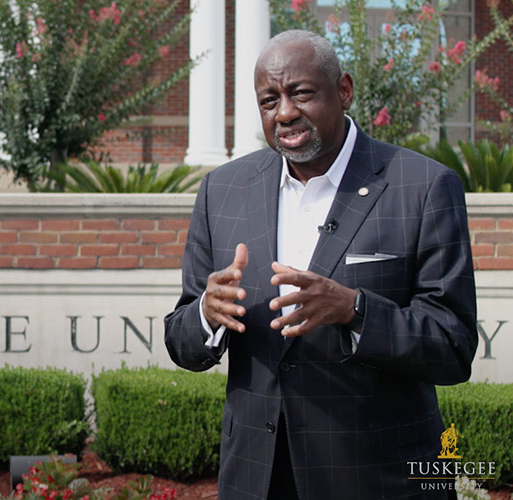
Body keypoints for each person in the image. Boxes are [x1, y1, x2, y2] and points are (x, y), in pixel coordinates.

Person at [164, 30, 477, 500]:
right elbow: (180, 337)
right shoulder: (222, 191)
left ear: (344, 90)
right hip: (256, 478)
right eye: (269, 100)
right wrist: (207, 315)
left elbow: (453, 346)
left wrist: (355, 310)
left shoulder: (423, 186)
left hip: (379, 479)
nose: (284, 112)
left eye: (301, 93)